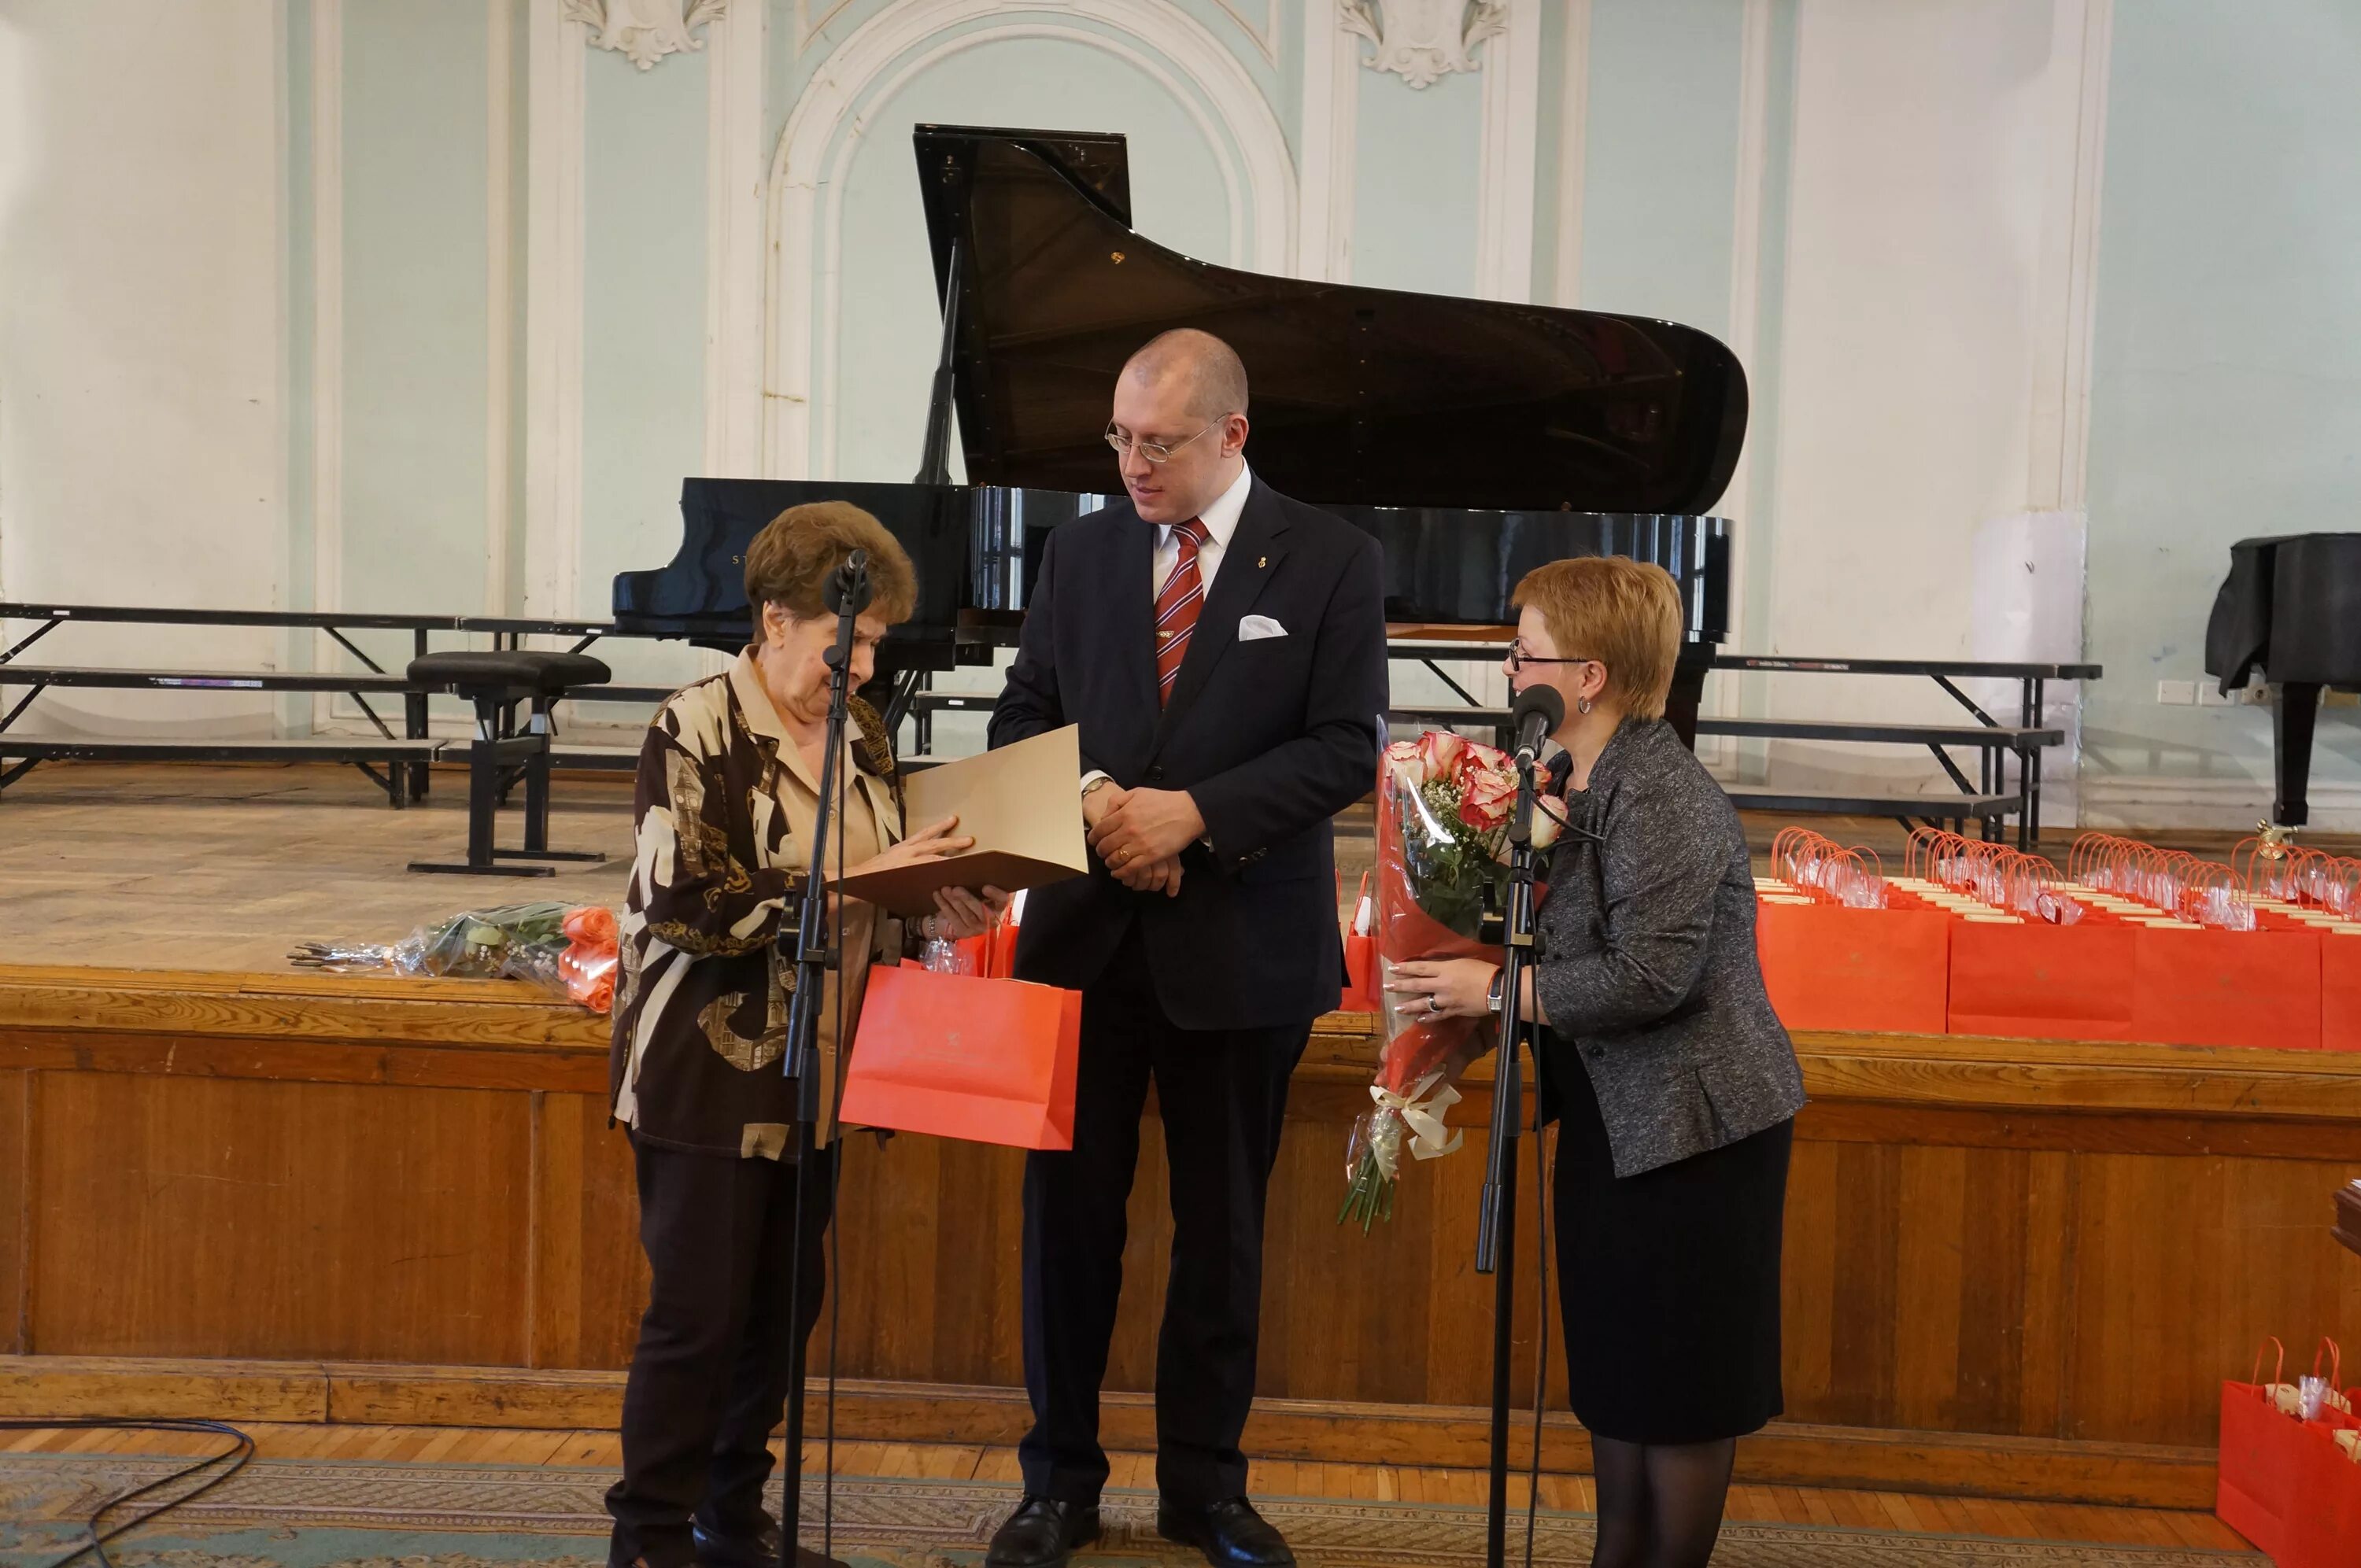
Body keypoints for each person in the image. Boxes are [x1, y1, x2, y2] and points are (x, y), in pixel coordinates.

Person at [985, 329, 1387, 1568]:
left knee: (1220, 1239)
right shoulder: (1084, 550)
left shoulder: (1331, 558)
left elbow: (1342, 746)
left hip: (1241, 948)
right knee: (1069, 1233)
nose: (1132, 464)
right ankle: (1058, 1481)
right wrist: (1107, 801)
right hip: (1086, 942)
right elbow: (1024, 715)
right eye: (1119, 438)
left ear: (1233, 436)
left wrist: (1197, 820)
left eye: (1158, 443)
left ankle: (1205, 1487)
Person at [604, 501, 1009, 1568]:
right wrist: (835, 891)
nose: (866, 665)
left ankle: (729, 1522)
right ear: (778, 618)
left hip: (823, 1071)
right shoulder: (692, 726)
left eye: (876, 642)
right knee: (699, 1321)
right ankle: (649, 1539)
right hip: (708, 1066)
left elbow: (880, 879)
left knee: (781, 1323)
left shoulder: (862, 736)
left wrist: (937, 899)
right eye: (852, 639)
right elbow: (683, 900)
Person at [1387, 557, 1805, 1568]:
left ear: (1589, 675)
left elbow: (1650, 978)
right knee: (1620, 1379)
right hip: (1617, 1123)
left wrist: (1489, 993)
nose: (1508, 674)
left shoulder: (1660, 789)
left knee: (1679, 1389)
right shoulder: (1574, 778)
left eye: (1524, 652)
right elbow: (1542, 939)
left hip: (1695, 1133)